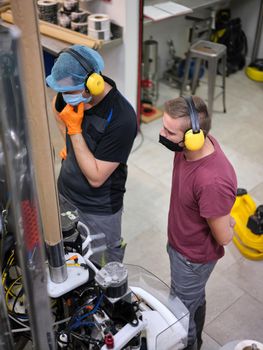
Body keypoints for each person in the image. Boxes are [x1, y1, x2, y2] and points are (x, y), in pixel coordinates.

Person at [46, 45, 137, 265]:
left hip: (99, 211)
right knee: (70, 256)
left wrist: (74, 131)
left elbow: (96, 178)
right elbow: (57, 107)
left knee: (100, 266)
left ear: (91, 85)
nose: (65, 97)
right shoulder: (69, 93)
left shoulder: (122, 118)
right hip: (65, 194)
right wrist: (68, 142)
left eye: (70, 92)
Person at [159, 95, 237, 350]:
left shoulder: (212, 181)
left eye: (169, 132)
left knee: (180, 318)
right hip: (179, 244)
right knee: (191, 301)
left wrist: (228, 221)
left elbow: (224, 237)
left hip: (192, 259)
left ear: (194, 135)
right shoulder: (187, 149)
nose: (162, 134)